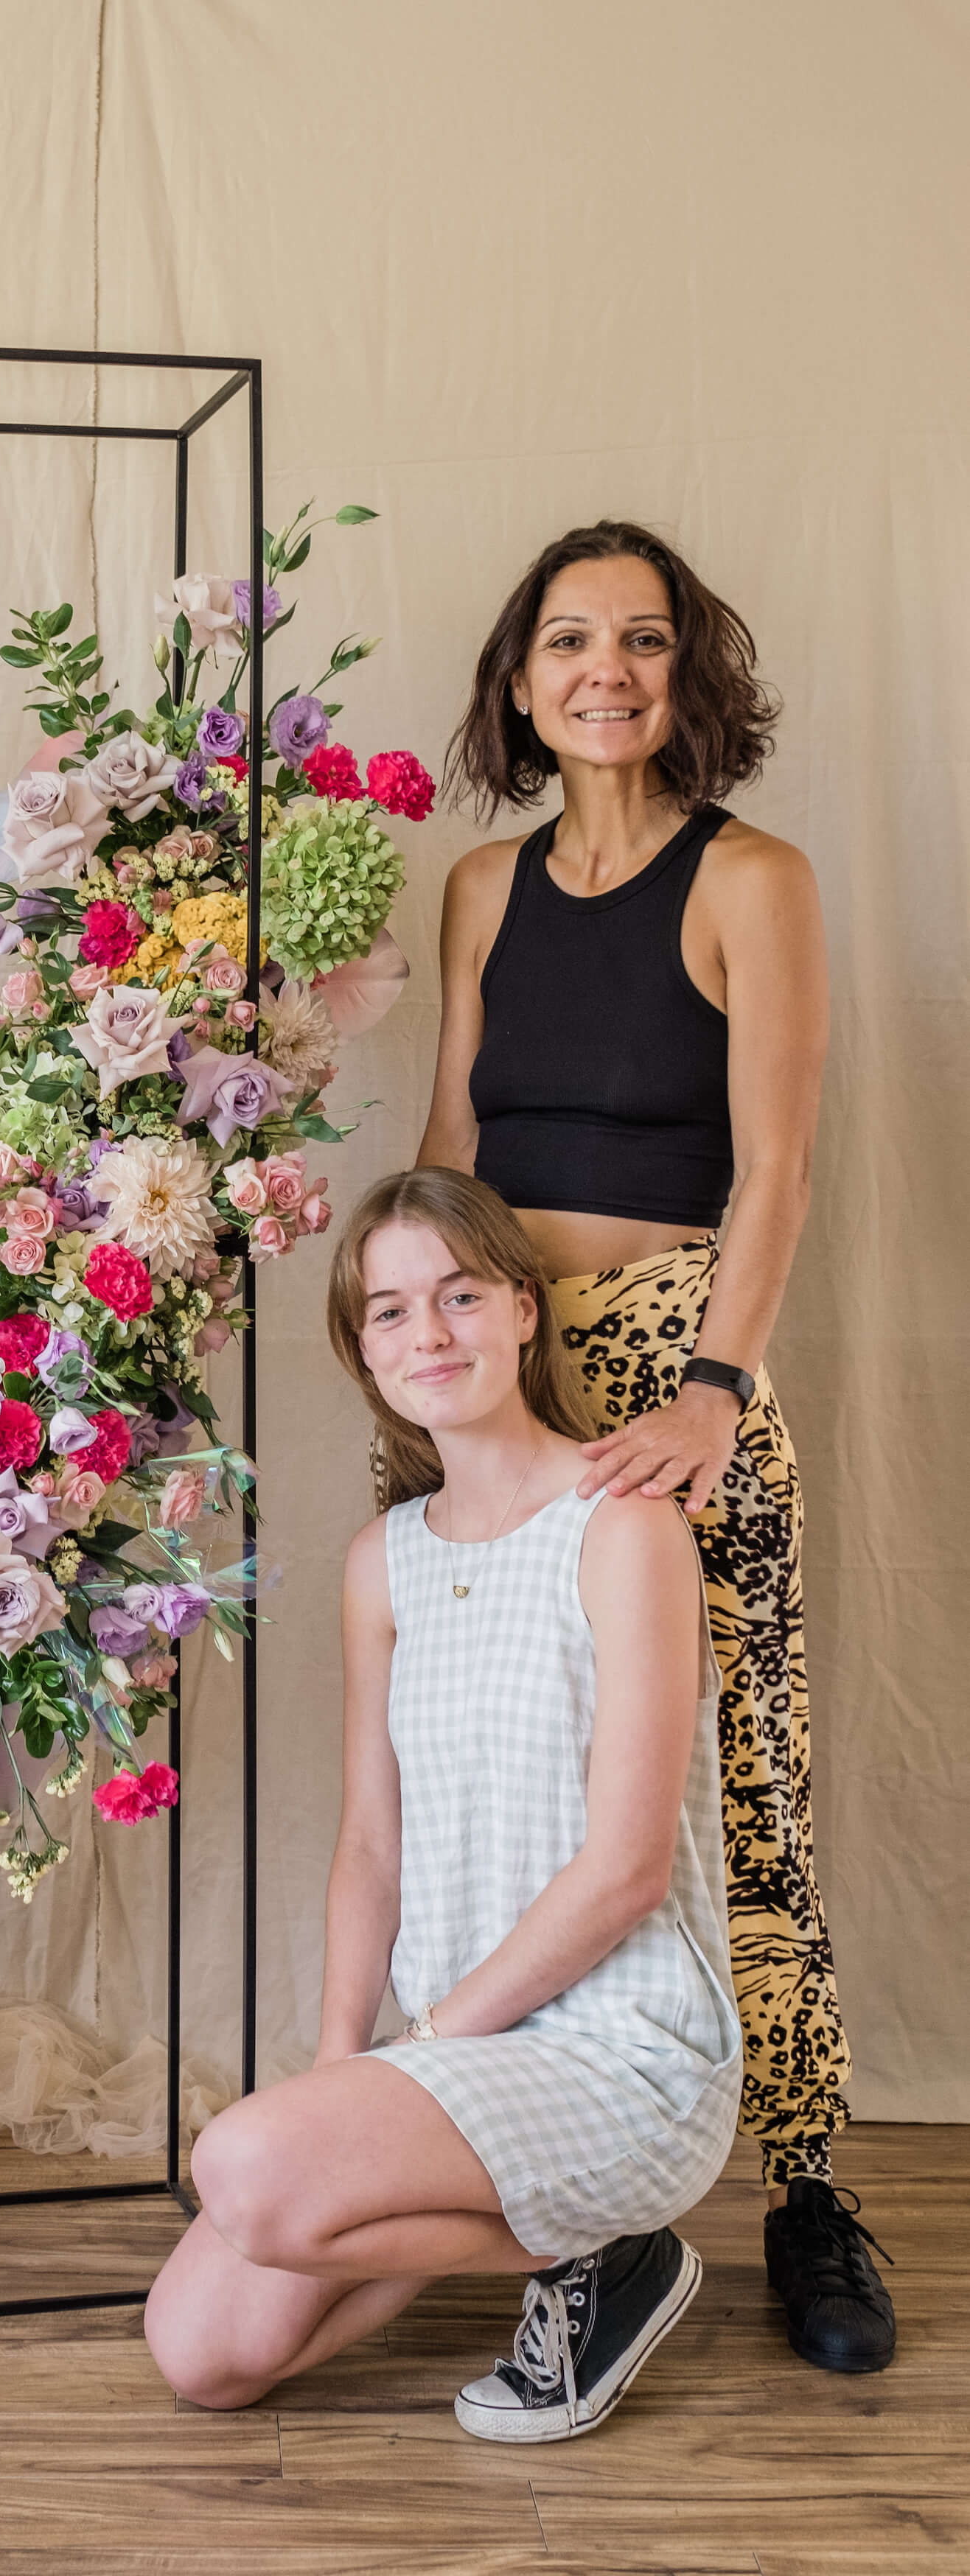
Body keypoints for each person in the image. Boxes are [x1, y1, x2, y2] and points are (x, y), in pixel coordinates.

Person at [416, 519, 894, 2375]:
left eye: (639, 640)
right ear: (518, 682)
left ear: (685, 675)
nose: (601, 671)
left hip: (678, 1370)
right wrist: (431, 1376)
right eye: (564, 641)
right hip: (500, 1374)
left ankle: (802, 2191)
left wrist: (710, 1388)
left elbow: (775, 1164)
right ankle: (562, 2186)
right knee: (532, 1792)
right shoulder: (475, 886)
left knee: (741, 1777)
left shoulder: (746, 878)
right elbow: (451, 1143)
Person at [144, 1169, 739, 2435]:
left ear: (523, 1311)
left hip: (622, 2051)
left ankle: (618, 2247)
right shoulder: (385, 1560)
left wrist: (431, 2046)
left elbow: (630, 1866)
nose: (432, 1335)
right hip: (460, 2055)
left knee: (244, 2169)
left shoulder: (623, 1523)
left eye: (461, 1296)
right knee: (200, 2348)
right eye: (393, 1312)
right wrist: (342, 2068)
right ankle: (570, 2246)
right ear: (364, 1351)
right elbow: (371, 1845)